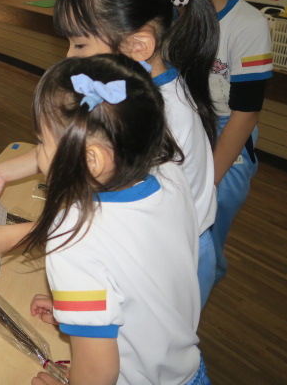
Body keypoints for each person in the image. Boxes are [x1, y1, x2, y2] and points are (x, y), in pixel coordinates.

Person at [0, 0, 220, 310]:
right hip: (148, 248)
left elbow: (109, 226)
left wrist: (10, 238)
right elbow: (69, 143)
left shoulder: (161, 119)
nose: (69, 57)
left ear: (137, 45)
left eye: (80, 44)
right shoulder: (131, 91)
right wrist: (2, 171)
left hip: (163, 262)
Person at [26, 54, 209, 385]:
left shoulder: (71, 234)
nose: (38, 154)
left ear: (91, 160)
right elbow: (143, 277)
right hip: (188, 371)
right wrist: (81, 307)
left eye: (41, 142)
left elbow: (98, 374)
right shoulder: (169, 173)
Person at [136, 0, 273, 284]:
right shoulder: (161, 16)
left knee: (202, 238)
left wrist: (207, 180)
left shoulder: (247, 25)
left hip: (225, 141)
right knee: (166, 232)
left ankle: (196, 294)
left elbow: (246, 113)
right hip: (175, 131)